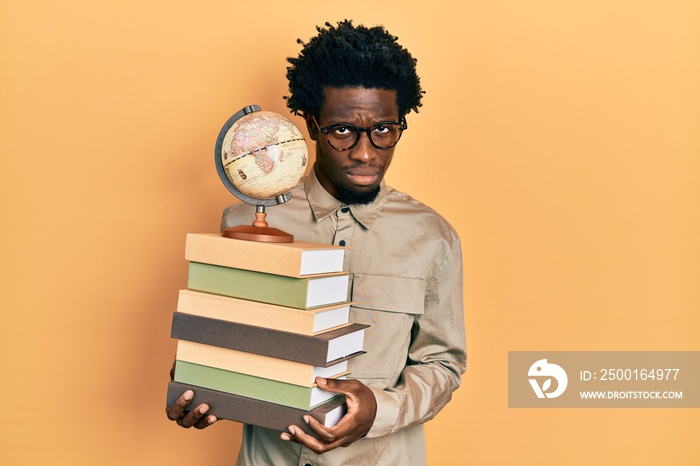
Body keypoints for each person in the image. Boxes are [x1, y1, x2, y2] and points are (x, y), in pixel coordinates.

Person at [166, 20, 467, 465]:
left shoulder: (433, 237)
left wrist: (379, 410)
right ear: (311, 124)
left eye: (384, 129)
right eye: (343, 130)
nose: (366, 153)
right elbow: (225, 341)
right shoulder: (248, 219)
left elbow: (443, 365)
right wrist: (197, 382)